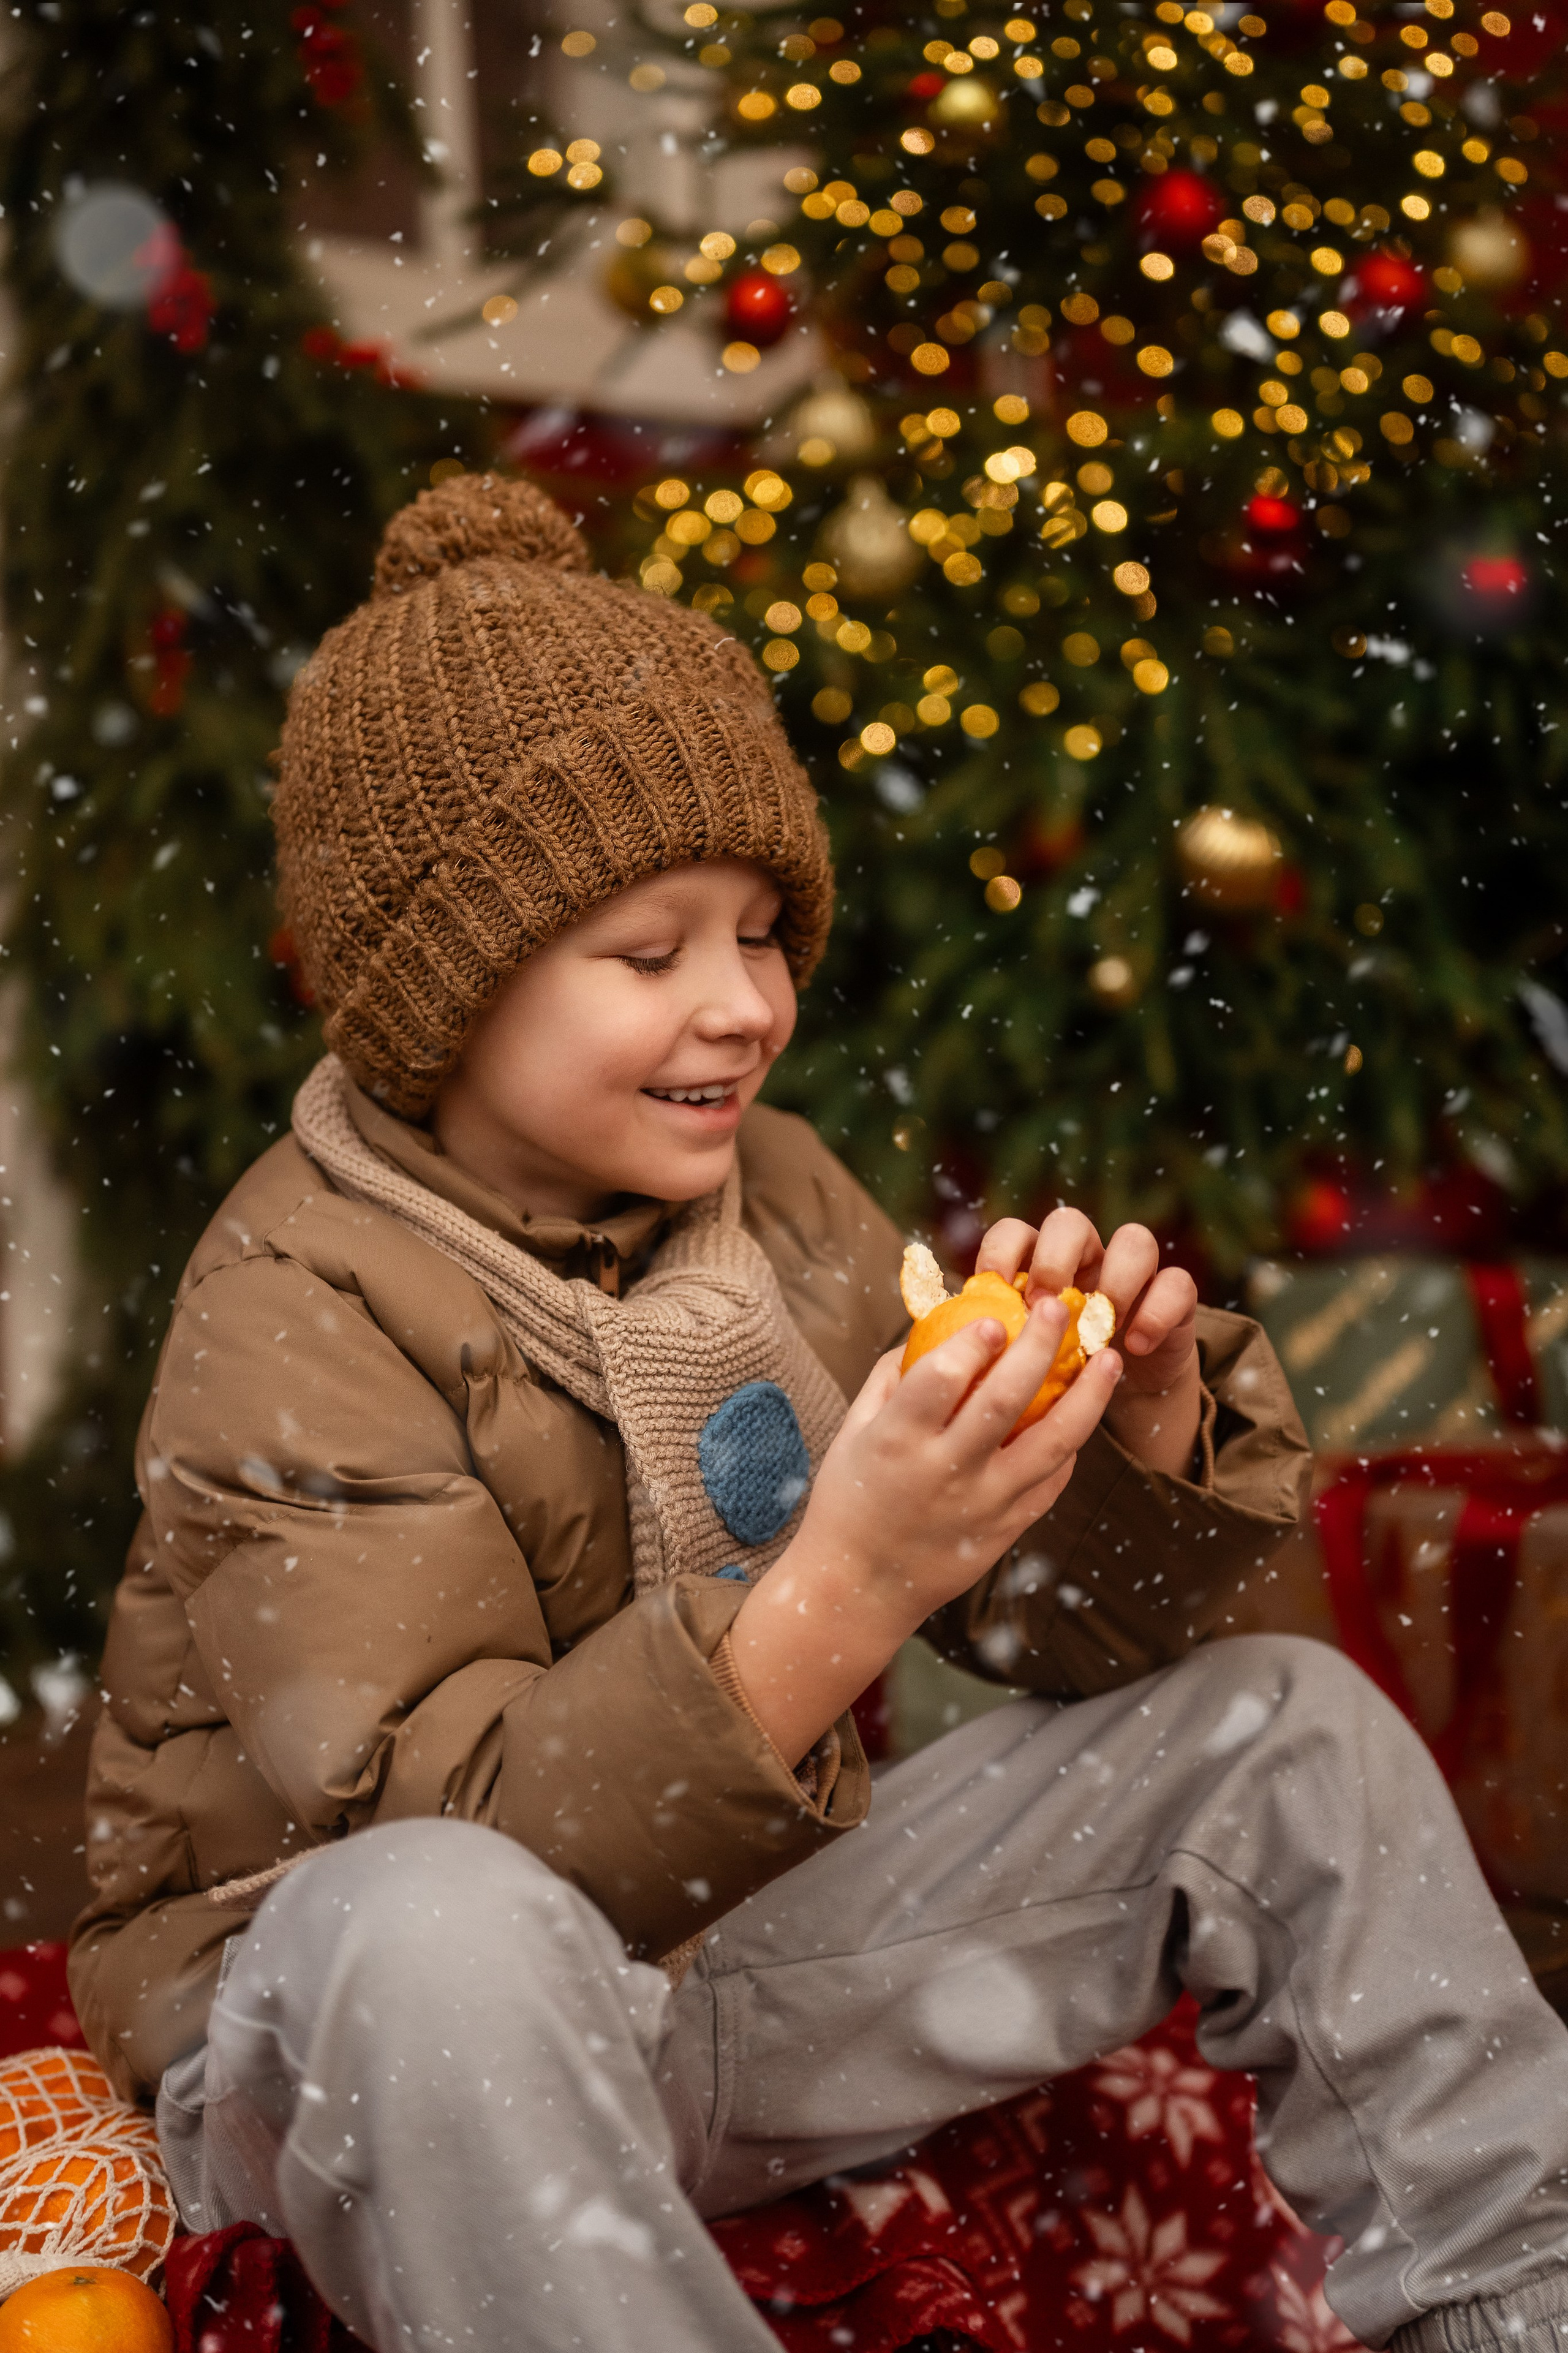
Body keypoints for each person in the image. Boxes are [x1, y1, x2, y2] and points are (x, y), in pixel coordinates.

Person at [70, 475, 1568, 2353]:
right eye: (650, 949)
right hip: (367, 2067)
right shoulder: (293, 1304)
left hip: (720, 1969)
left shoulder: (771, 1198)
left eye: (764, 928)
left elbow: (1040, 1637)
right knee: (433, 1917)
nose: (744, 1003)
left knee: (1289, 1730)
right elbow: (447, 1824)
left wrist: (1114, 1449)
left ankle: (1517, 2302)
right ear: (440, 990)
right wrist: (840, 1584)